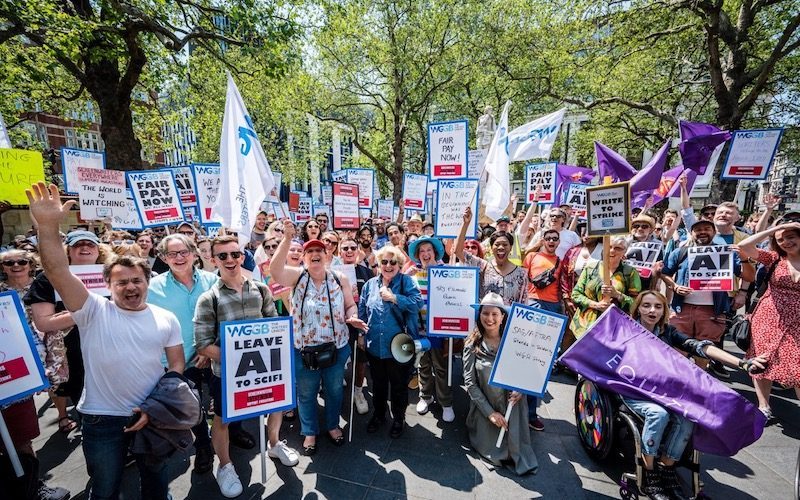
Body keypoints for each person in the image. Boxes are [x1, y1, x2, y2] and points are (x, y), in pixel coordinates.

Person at [27, 182, 185, 500]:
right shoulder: (92, 310)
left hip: (152, 417)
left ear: (147, 281)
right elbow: (57, 270)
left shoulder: (166, 318)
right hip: (102, 421)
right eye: (121, 281)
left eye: (136, 280)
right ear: (107, 285)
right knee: (104, 489)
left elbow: (177, 363)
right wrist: (47, 226)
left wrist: (159, 405)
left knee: (157, 485)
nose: (130, 287)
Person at [626, 291, 767, 499]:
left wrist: (742, 363)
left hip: (663, 391)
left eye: (657, 306)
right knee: (659, 415)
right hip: (633, 391)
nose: (652, 311)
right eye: (646, 305)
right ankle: (649, 474)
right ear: (638, 308)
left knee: (687, 416)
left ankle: (667, 468)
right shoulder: (627, 331)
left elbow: (701, 347)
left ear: (664, 310)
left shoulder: (668, 332)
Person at [194, 235, 298, 498]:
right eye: (223, 256)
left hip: (266, 369)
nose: (230, 260)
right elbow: (203, 344)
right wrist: (240, 359)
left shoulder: (260, 289)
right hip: (227, 373)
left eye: (235, 254)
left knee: (276, 405)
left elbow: (274, 324)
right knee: (223, 419)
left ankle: (274, 444)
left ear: (242, 257)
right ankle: (225, 466)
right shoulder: (209, 298)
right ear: (213, 259)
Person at [147, 234, 246, 474]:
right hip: (177, 360)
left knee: (226, 398)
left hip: (213, 354)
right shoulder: (153, 288)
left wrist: (208, 348)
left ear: (194, 254)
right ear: (163, 258)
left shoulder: (214, 280)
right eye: (172, 253)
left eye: (184, 252)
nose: (179, 258)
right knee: (192, 406)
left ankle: (236, 431)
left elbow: (224, 315)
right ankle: (203, 445)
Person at [270, 222, 366, 455]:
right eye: (309, 251)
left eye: (319, 251)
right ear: (304, 258)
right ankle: (310, 431)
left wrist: (352, 317)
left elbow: (350, 304)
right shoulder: (297, 277)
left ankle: (333, 426)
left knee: (334, 391)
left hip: (336, 347)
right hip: (304, 351)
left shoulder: (339, 277)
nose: (315, 254)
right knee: (306, 393)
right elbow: (275, 271)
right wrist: (287, 239)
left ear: (327, 255)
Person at [0, 248, 71, 500]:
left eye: (22, 261)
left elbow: (56, 331)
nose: (16, 265)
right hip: (6, 368)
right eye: (9, 262)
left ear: (31, 264)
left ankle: (31, 485)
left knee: (22, 435)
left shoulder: (44, 287)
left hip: (28, 371)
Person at [26, 230, 112, 429]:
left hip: (113, 349)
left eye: (90, 244)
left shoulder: (112, 273)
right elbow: (44, 323)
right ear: (68, 251)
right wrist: (89, 309)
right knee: (90, 412)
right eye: (78, 244)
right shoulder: (47, 279)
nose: (84, 247)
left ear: (99, 250)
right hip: (74, 356)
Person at [661, 219, 751, 372]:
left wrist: (744, 258)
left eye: (707, 229)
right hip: (683, 309)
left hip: (712, 312)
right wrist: (674, 286)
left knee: (703, 352)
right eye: (698, 229)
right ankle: (680, 381)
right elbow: (665, 273)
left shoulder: (725, 253)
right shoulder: (681, 252)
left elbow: (749, 277)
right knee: (678, 350)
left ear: (714, 232)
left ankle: (698, 380)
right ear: (692, 233)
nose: (702, 232)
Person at [463, 293, 537, 476]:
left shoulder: (514, 341)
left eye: (495, 314)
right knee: (494, 450)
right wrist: (490, 414)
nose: (490, 318)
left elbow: (526, 372)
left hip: (513, 406)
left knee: (516, 451)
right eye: (485, 313)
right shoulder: (472, 344)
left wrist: (521, 390)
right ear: (479, 315)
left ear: (503, 316)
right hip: (486, 405)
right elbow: (470, 384)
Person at [734, 221, 800, 420]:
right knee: (762, 361)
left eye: (791, 237)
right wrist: (774, 230)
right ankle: (764, 405)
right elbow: (745, 246)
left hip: (797, 323)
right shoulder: (773, 258)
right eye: (781, 240)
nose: (786, 242)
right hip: (768, 318)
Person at [358, 245, 422, 438]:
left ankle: (399, 418)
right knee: (377, 385)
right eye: (384, 261)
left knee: (398, 385)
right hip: (375, 346)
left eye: (392, 262)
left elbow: (418, 303)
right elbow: (362, 308)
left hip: (399, 346)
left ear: (399, 264)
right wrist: (361, 333)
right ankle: (379, 415)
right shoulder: (370, 284)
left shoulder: (406, 281)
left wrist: (395, 298)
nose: (388, 265)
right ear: (378, 264)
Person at [406, 236, 454, 422]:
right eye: (422, 251)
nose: (425, 254)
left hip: (440, 330)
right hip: (419, 329)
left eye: (429, 250)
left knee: (441, 368)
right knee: (423, 364)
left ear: (435, 252)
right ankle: (425, 396)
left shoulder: (447, 271)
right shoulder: (412, 274)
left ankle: (446, 402)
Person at [454, 206, 527, 306]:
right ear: (491, 248)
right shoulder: (483, 267)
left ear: (510, 248)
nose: (501, 247)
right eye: (497, 244)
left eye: (505, 244)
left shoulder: (521, 274)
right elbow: (458, 251)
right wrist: (465, 224)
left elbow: (523, 304)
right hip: (485, 320)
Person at [570, 236, 641, 337]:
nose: (612, 251)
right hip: (584, 328)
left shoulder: (630, 272)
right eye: (609, 246)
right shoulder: (590, 268)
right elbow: (575, 294)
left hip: (613, 329)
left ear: (624, 251)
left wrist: (617, 295)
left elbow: (636, 303)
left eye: (618, 248)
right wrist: (595, 305)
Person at [339, 236, 374, 414]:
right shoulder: (331, 272)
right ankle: (335, 393)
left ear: (358, 251)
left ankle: (358, 392)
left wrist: (362, 330)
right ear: (340, 252)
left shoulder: (365, 272)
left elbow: (370, 300)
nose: (350, 251)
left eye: (353, 247)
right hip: (338, 325)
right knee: (336, 362)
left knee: (360, 361)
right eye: (345, 248)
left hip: (359, 324)